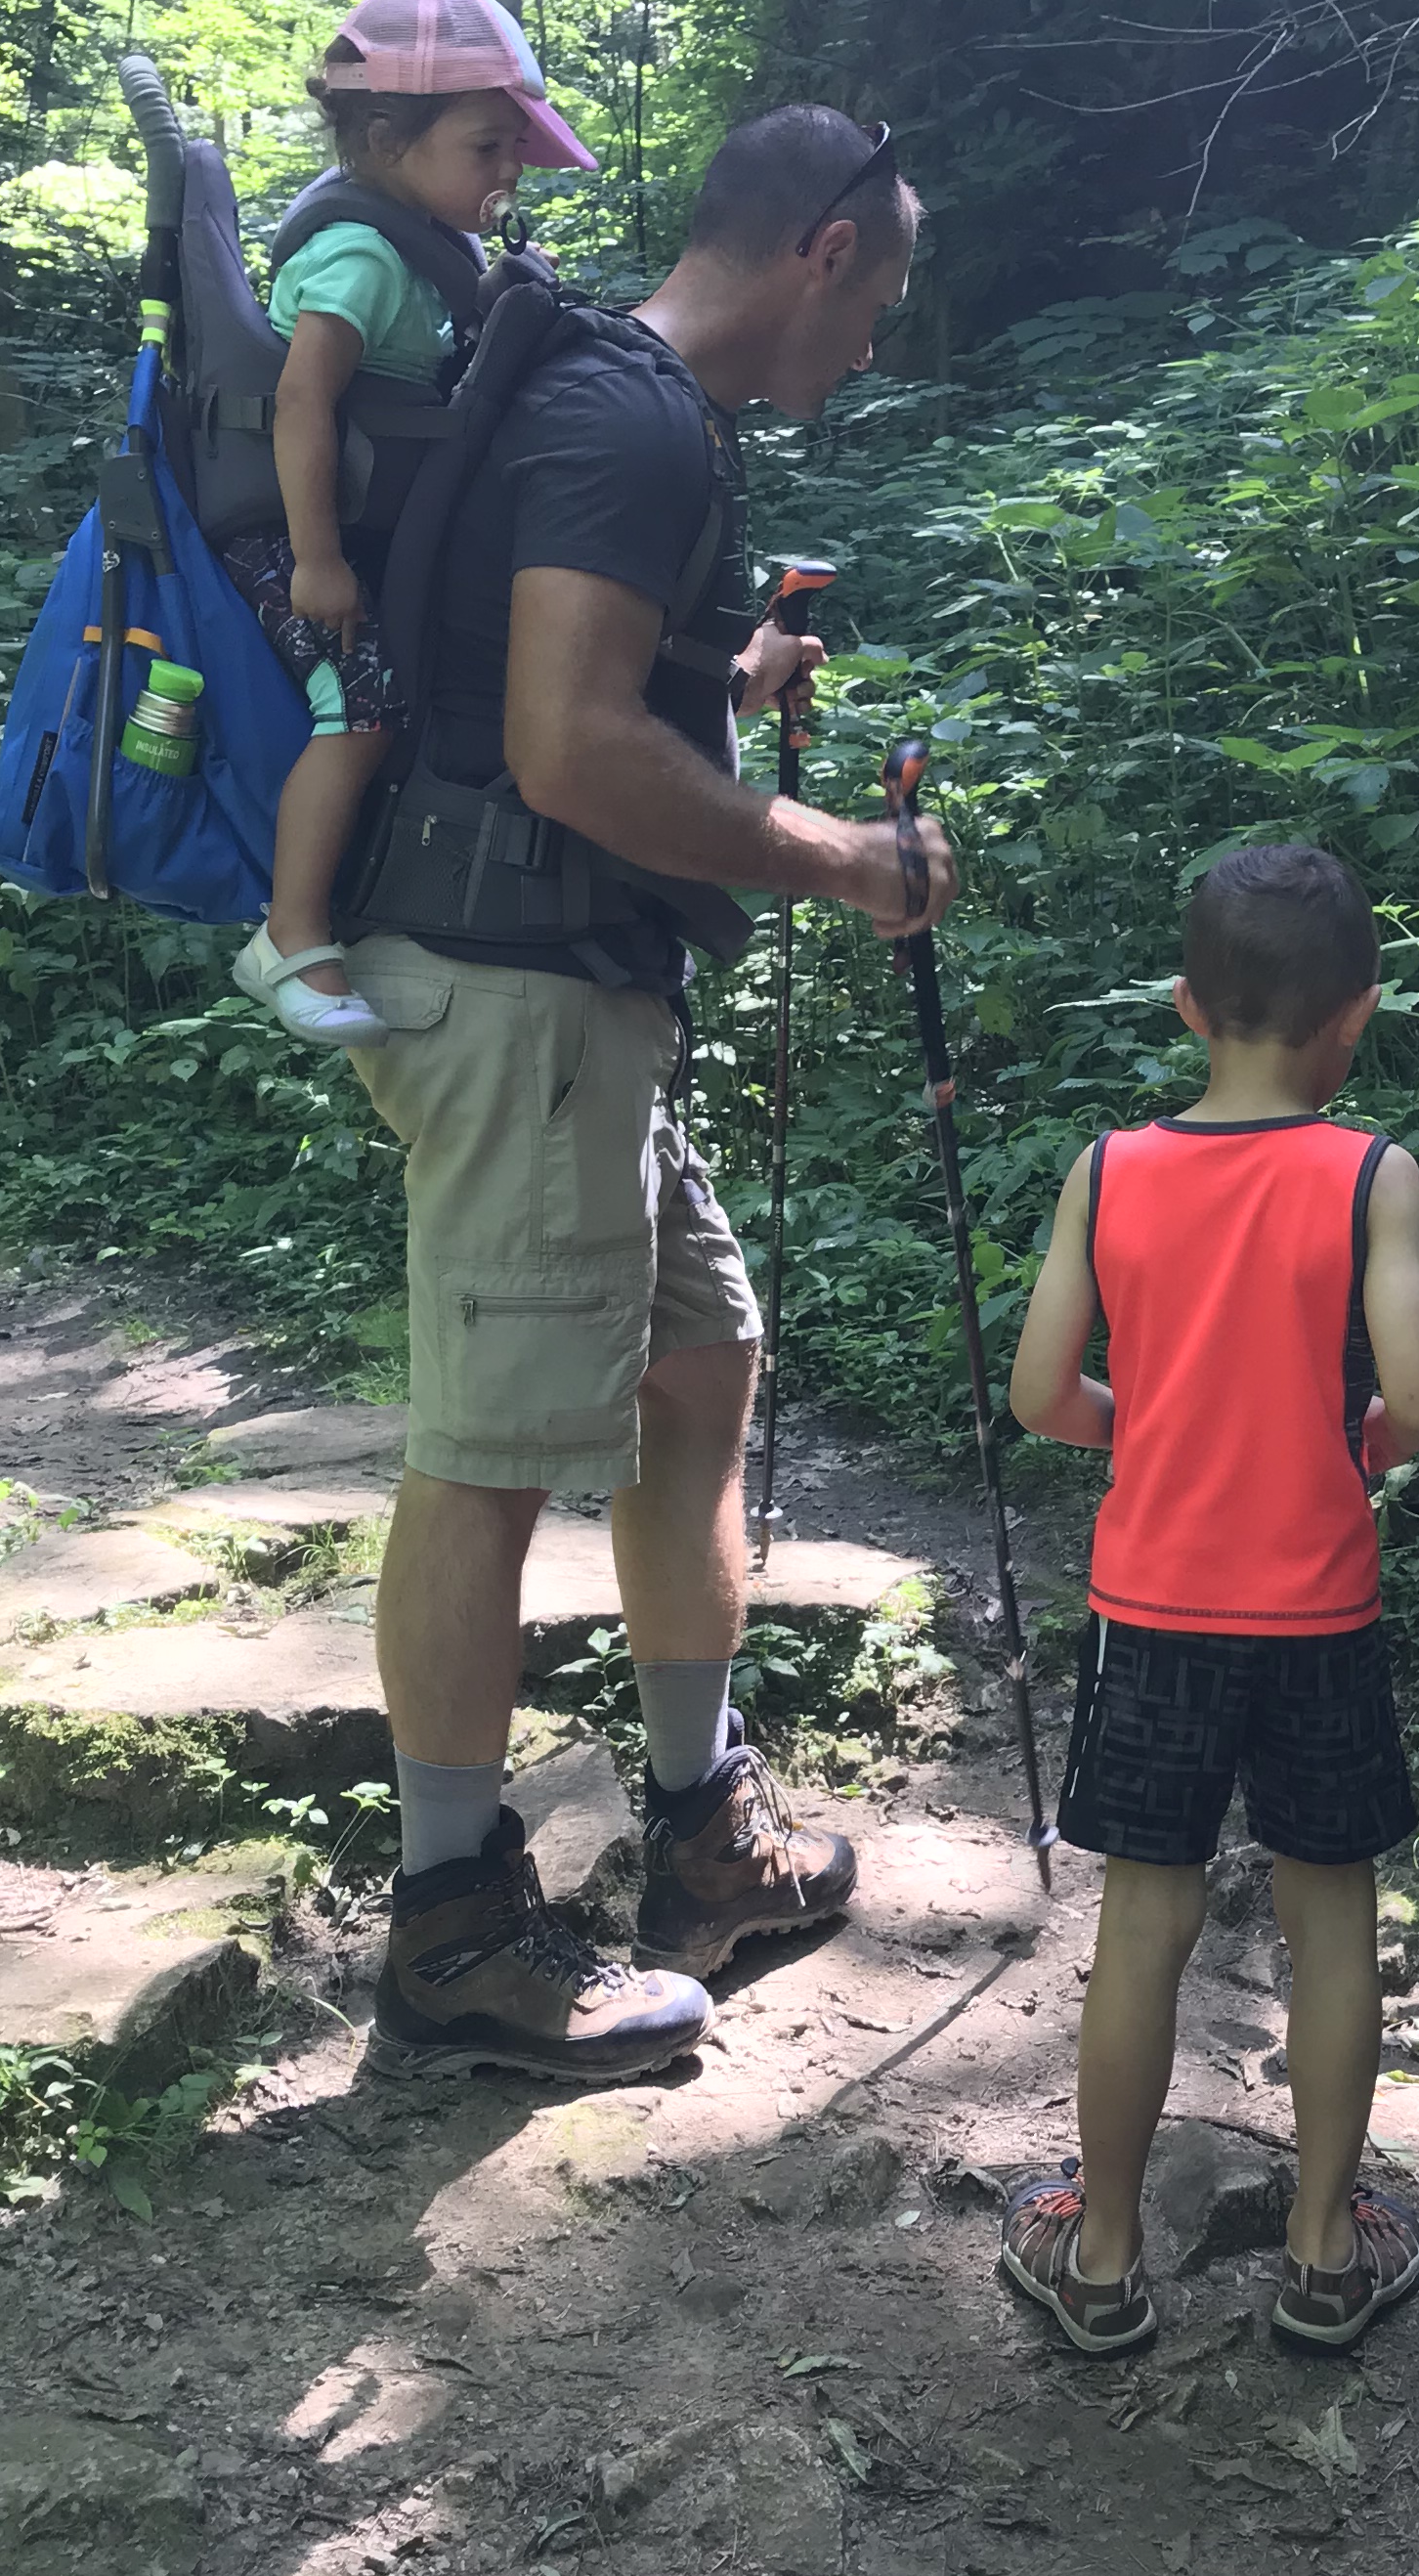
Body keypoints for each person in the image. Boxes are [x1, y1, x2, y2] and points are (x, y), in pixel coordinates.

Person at [339, 108, 957, 2082]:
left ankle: (700, 1836)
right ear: (823, 249)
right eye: (880, 298)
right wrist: (839, 856)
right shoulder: (631, 423)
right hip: (516, 993)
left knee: (698, 1368)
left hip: (578, 992)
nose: (874, 345)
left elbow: (571, 688)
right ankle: (452, 1928)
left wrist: (721, 680)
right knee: (491, 1452)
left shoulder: (624, 404)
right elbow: (561, 747)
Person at [998, 844, 1419, 2356]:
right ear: (1358, 1014)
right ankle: (1323, 2252)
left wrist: (1149, 1430)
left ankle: (1103, 2259)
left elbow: (1040, 1394)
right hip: (1319, 1614)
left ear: (1189, 1007)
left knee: (1146, 1922)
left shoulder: (1110, 1171)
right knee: (1331, 1920)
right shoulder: (1372, 1176)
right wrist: (1345, 1446)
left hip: (1154, 1610)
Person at [224, 0, 598, 1050]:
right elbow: (304, 400)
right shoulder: (361, 253)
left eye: (515, 149)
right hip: (289, 534)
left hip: (354, 533)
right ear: (388, 139)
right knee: (361, 708)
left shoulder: (424, 247)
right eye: (486, 147)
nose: (509, 169)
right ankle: (290, 938)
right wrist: (317, 560)